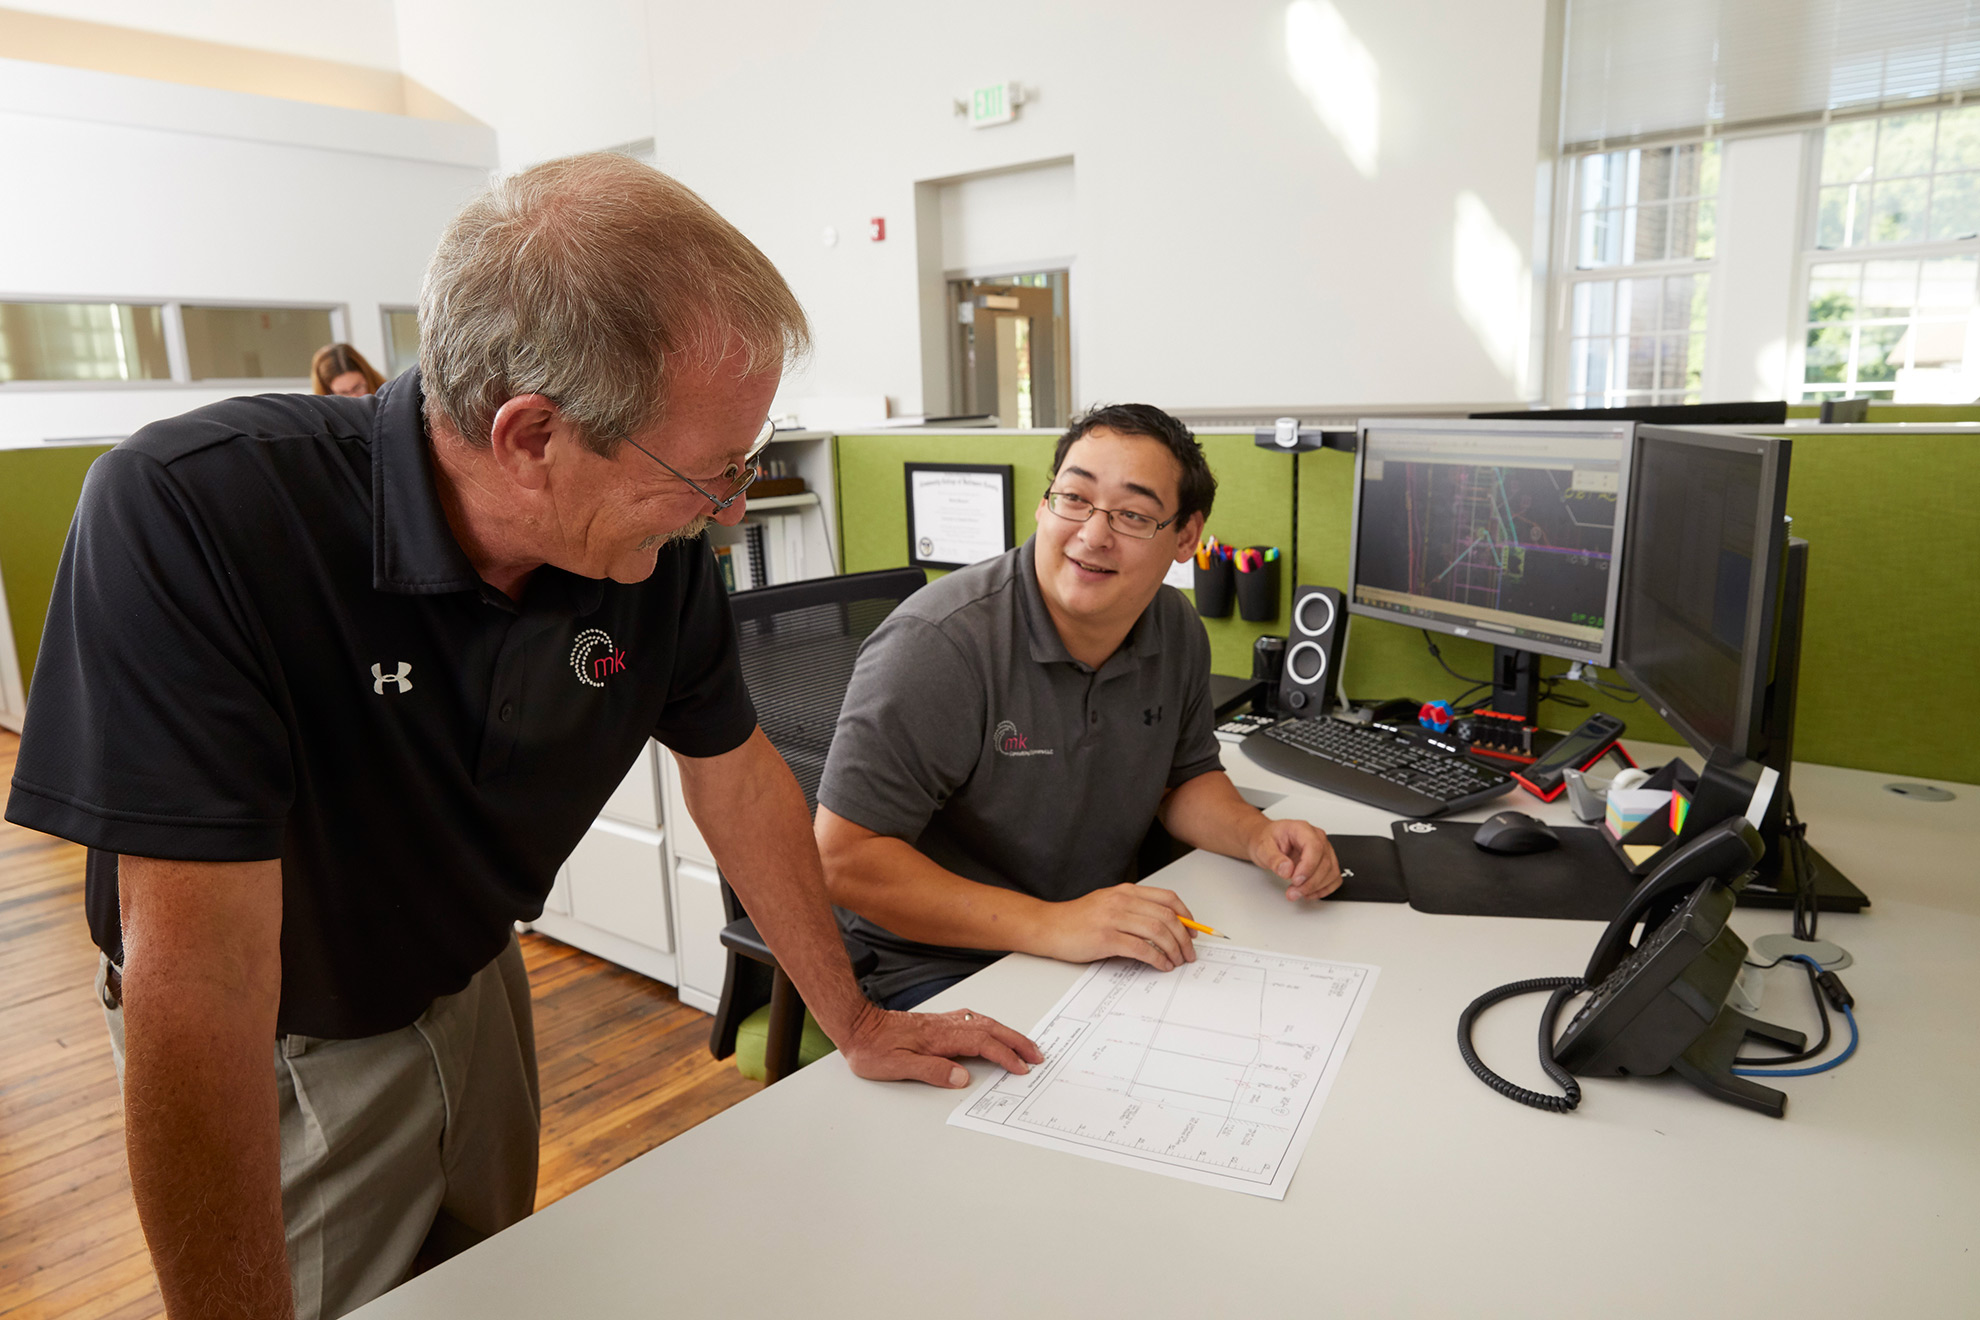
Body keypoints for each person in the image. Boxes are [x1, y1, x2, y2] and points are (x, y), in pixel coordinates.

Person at [5, 153, 1038, 1320]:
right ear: (532, 435)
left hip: (477, 979)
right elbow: (197, 979)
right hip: (288, 1044)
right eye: (710, 472)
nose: (734, 507)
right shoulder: (198, 513)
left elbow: (737, 775)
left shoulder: (646, 556)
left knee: (487, 1280)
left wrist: (849, 1016)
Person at [815, 404, 1344, 1010]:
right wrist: (1055, 924)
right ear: (1044, 505)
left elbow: (1183, 778)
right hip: (941, 965)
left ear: (1187, 537)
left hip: (1089, 942)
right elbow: (843, 859)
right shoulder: (940, 645)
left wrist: (1258, 835)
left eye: (1134, 514)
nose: (1094, 534)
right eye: (1074, 498)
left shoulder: (1175, 628)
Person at [310, 342, 385, 396]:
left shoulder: (390, 400)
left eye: (357, 387)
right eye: (344, 393)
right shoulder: (321, 416)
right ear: (328, 392)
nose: (355, 397)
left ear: (368, 378)